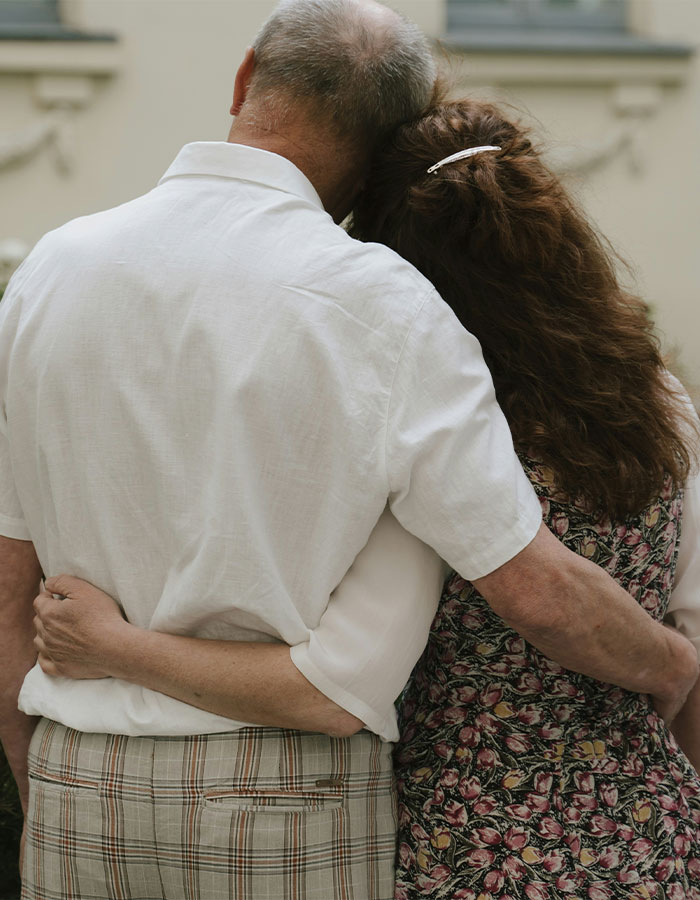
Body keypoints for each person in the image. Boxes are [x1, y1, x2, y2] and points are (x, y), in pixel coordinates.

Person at [1, 1, 697, 896]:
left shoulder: (52, 268)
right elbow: (529, 588)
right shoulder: (387, 305)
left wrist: (38, 777)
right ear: (383, 145)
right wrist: (671, 663)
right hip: (283, 794)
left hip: (75, 782)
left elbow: (11, 578)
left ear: (245, 77)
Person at [352, 97, 700, 898]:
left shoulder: (424, 426)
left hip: (464, 842)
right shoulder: (657, 400)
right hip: (647, 835)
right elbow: (690, 618)